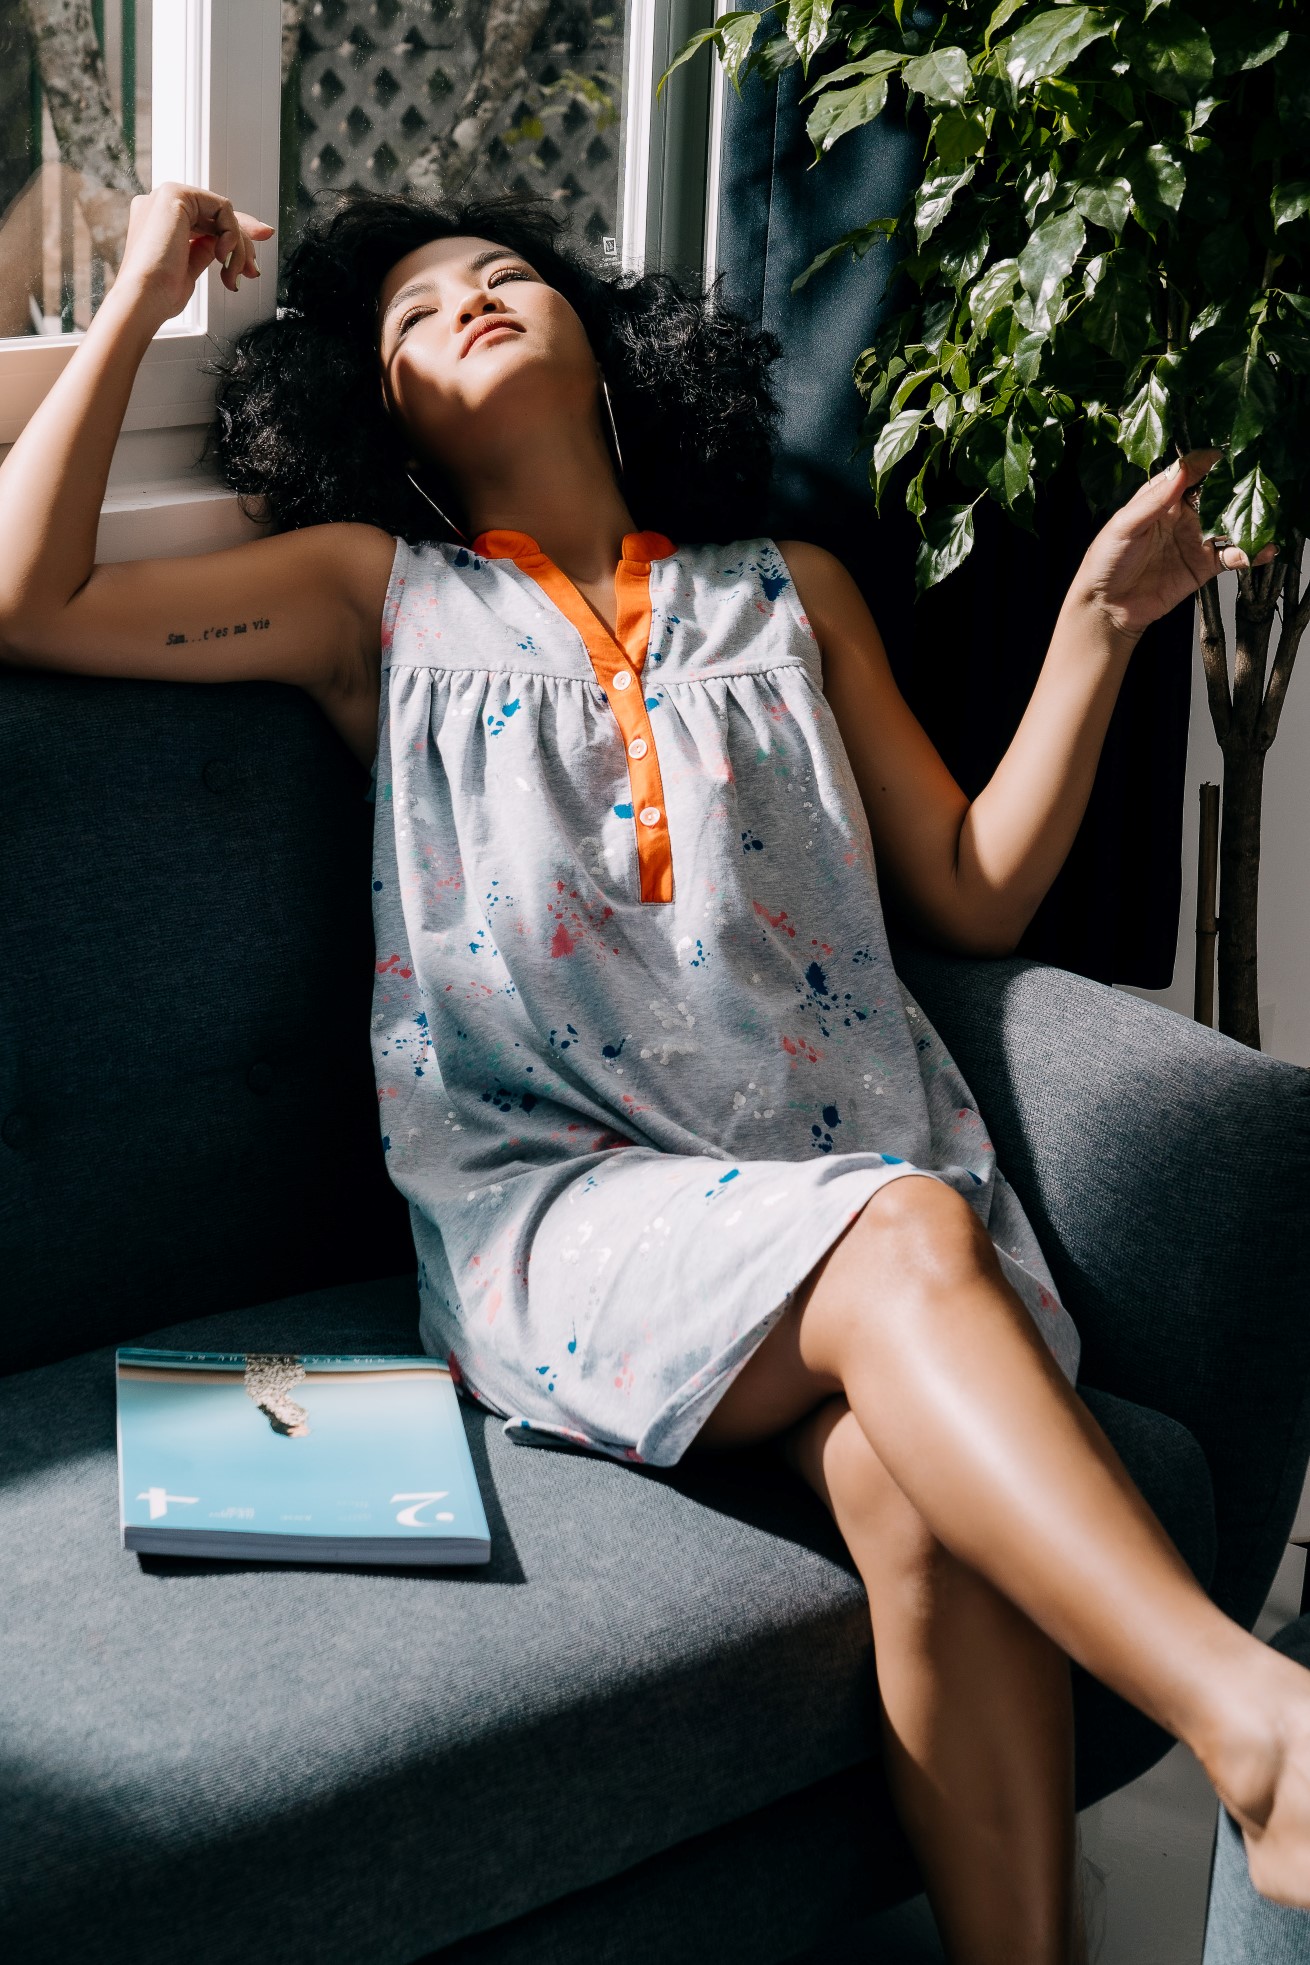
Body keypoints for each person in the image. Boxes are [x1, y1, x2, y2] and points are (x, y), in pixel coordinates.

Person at [0, 178, 1305, 1963]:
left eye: (503, 276)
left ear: (607, 346)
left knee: (909, 1501)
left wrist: (1093, 627)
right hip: (568, 1216)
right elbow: (25, 595)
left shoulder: (788, 595)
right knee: (906, 1229)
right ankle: (1257, 1723)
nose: (466, 301)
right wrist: (139, 294)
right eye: (412, 317)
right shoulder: (375, 602)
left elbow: (971, 888)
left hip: (851, 1195)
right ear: (383, 416)